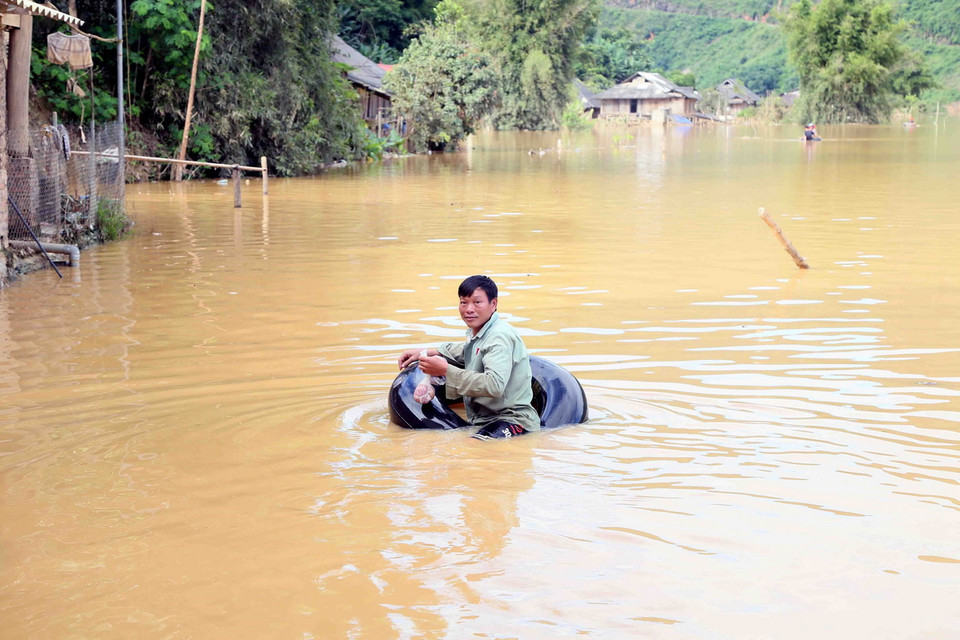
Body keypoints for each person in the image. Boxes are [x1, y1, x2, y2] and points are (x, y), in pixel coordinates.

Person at [397, 275, 540, 440]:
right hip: (484, 419)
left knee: (472, 452)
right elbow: (469, 351)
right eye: (464, 302)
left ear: (493, 304)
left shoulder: (499, 337)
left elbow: (495, 385)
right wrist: (428, 352)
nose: (469, 309)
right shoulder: (483, 332)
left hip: (514, 419)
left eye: (477, 302)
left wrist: (446, 371)